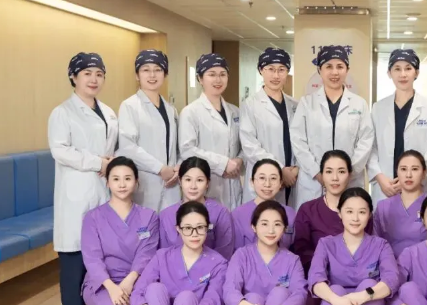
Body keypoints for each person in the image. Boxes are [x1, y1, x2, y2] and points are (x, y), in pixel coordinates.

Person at [49, 52, 118, 305]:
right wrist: (97, 162)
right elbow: (60, 150)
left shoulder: (108, 112)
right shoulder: (62, 112)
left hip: (101, 191)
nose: (94, 79)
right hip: (75, 195)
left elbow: (112, 150)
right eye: (87, 73)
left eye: (99, 74)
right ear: (73, 77)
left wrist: (110, 164)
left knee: (95, 262)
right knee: (74, 262)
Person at [81, 157, 158, 305]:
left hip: (138, 279)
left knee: (153, 295)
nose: (122, 184)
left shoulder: (149, 216)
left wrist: (130, 281)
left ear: (136, 181)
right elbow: (92, 258)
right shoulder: (93, 217)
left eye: (127, 178)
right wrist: (111, 287)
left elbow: (146, 253)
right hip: (103, 283)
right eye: (116, 179)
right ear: (107, 182)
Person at [292, 150, 373, 305]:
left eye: (341, 171)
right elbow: (301, 250)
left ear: (350, 175)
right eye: (329, 171)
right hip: (319, 277)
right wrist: (328, 271)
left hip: (356, 278)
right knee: (308, 304)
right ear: (321, 175)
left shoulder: (362, 211)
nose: (335, 178)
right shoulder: (308, 210)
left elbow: (368, 249)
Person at [290, 45, 374, 208]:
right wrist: (317, 172)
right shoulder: (307, 103)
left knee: (350, 219)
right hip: (313, 182)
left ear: (347, 70)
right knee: (313, 219)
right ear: (319, 70)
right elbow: (298, 141)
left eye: (340, 66)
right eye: (328, 66)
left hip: (350, 181)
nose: (335, 72)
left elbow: (366, 141)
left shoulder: (359, 104)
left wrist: (347, 172)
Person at [367, 49, 427, 202]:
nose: (403, 74)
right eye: (397, 69)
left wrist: (414, 177)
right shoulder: (378, 108)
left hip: (420, 185)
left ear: (416, 73)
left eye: (408, 68)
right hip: (387, 185)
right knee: (386, 216)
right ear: (389, 73)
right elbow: (371, 147)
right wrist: (380, 177)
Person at [117, 50, 179, 212]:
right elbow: (127, 147)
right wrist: (160, 168)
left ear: (165, 74)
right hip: (146, 181)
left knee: (170, 225)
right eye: (146, 70)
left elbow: (176, 147)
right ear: (137, 75)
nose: (152, 75)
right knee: (145, 225)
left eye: (158, 70)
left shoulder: (170, 109)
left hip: (171, 183)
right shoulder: (129, 106)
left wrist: (177, 168)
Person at [179, 53, 243, 210]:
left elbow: (243, 144)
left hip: (233, 182)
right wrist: (223, 164)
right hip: (208, 183)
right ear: (200, 79)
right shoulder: (191, 112)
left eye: (222, 74)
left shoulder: (235, 111)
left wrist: (239, 161)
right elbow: (187, 150)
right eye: (212, 74)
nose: (218, 80)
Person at [240, 47, 298, 207]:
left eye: (281, 70)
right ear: (261, 70)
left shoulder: (295, 104)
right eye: (270, 69)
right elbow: (250, 145)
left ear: (287, 72)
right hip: (265, 176)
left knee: (289, 217)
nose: (276, 75)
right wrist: (279, 170)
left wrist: (296, 169)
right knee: (263, 218)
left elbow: (302, 140)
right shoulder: (250, 104)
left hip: (292, 178)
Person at [158, 157, 234, 260]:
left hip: (212, 269)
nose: (193, 186)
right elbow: (163, 255)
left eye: (199, 180)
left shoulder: (220, 213)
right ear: (180, 181)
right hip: (174, 269)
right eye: (188, 180)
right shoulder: (166, 215)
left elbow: (225, 253)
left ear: (207, 183)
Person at [373, 150, 427, 258]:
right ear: (397, 172)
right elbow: (375, 246)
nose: (408, 175)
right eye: (403, 169)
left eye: (414, 169)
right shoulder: (383, 207)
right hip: (390, 266)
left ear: (424, 173)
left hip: (425, 266)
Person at [232, 159, 297, 250]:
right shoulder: (238, 214)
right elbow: (236, 252)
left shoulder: (290, 213)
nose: (267, 184)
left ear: (280, 183)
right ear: (252, 182)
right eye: (262, 178)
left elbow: (295, 249)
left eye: (273, 178)